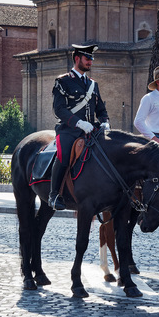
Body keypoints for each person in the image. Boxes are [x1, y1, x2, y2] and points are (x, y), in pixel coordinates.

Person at [48, 44, 109, 211]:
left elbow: (101, 109)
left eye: (91, 59)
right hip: (70, 130)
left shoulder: (92, 85)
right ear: (77, 59)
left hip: (92, 131)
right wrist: (79, 122)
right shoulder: (63, 81)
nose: (90, 62)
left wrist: (105, 121)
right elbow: (59, 109)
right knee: (64, 154)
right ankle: (54, 195)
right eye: (87, 59)